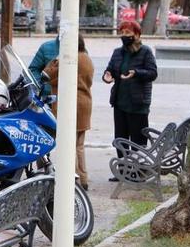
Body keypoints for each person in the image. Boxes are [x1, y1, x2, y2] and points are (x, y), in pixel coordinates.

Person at [103, 21, 158, 179]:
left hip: (138, 104)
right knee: (120, 139)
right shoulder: (117, 52)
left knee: (138, 140)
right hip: (119, 102)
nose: (124, 36)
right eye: (122, 32)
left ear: (137, 35)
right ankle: (123, 170)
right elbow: (110, 70)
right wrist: (107, 75)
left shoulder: (145, 52)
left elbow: (153, 73)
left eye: (128, 33)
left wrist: (136, 73)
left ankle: (138, 172)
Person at [42, 36, 94, 190]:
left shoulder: (68, 60)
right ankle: (83, 178)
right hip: (84, 103)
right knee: (79, 145)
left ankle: (73, 179)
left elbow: (47, 74)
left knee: (68, 144)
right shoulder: (86, 57)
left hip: (69, 104)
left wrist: (56, 59)